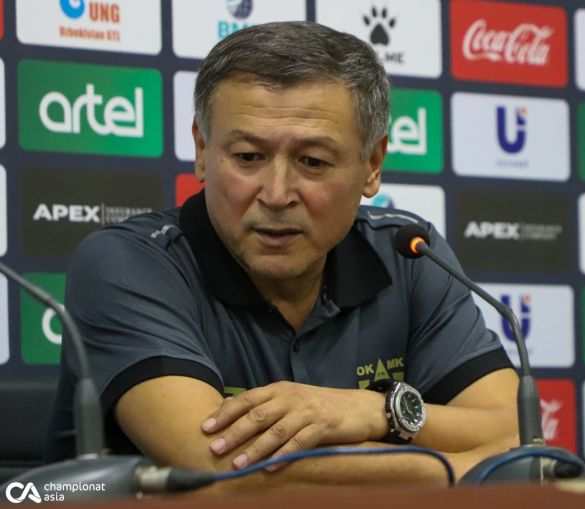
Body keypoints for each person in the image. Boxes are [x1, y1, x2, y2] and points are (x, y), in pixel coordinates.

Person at [46, 21, 519, 490]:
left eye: (312, 162)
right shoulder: (128, 263)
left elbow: (517, 434)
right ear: (202, 150)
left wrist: (374, 410)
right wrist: (457, 471)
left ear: (373, 165)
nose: (276, 194)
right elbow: (227, 474)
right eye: (248, 157)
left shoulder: (410, 256)